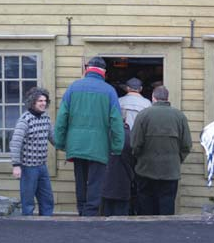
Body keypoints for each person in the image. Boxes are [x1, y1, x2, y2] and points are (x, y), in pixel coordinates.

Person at [55, 56, 124, 216]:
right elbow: (116, 122)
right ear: (104, 72)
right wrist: (117, 147)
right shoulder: (109, 91)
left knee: (81, 183)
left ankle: (81, 213)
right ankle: (90, 217)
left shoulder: (73, 88)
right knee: (95, 184)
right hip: (99, 147)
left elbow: (61, 118)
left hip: (76, 145)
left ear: (87, 69)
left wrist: (60, 142)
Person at [131, 86, 192, 215]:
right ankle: (166, 233)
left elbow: (135, 143)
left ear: (153, 97)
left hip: (145, 169)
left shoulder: (143, 115)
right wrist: (177, 159)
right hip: (170, 171)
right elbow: (186, 145)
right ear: (167, 98)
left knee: (145, 207)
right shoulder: (179, 116)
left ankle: (147, 234)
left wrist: (139, 159)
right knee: (167, 207)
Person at [10, 87, 55, 216]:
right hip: (28, 167)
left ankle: (47, 226)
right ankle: (28, 229)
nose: (43, 103)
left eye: (45, 100)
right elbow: (15, 143)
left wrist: (70, 146)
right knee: (28, 202)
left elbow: (54, 139)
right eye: (40, 100)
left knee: (47, 200)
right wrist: (16, 165)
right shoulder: (25, 120)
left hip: (42, 166)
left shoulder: (45, 118)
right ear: (32, 102)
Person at [101, 110, 134, 216]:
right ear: (125, 119)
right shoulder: (130, 135)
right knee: (121, 216)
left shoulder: (103, 134)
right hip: (124, 182)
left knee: (106, 217)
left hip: (105, 183)